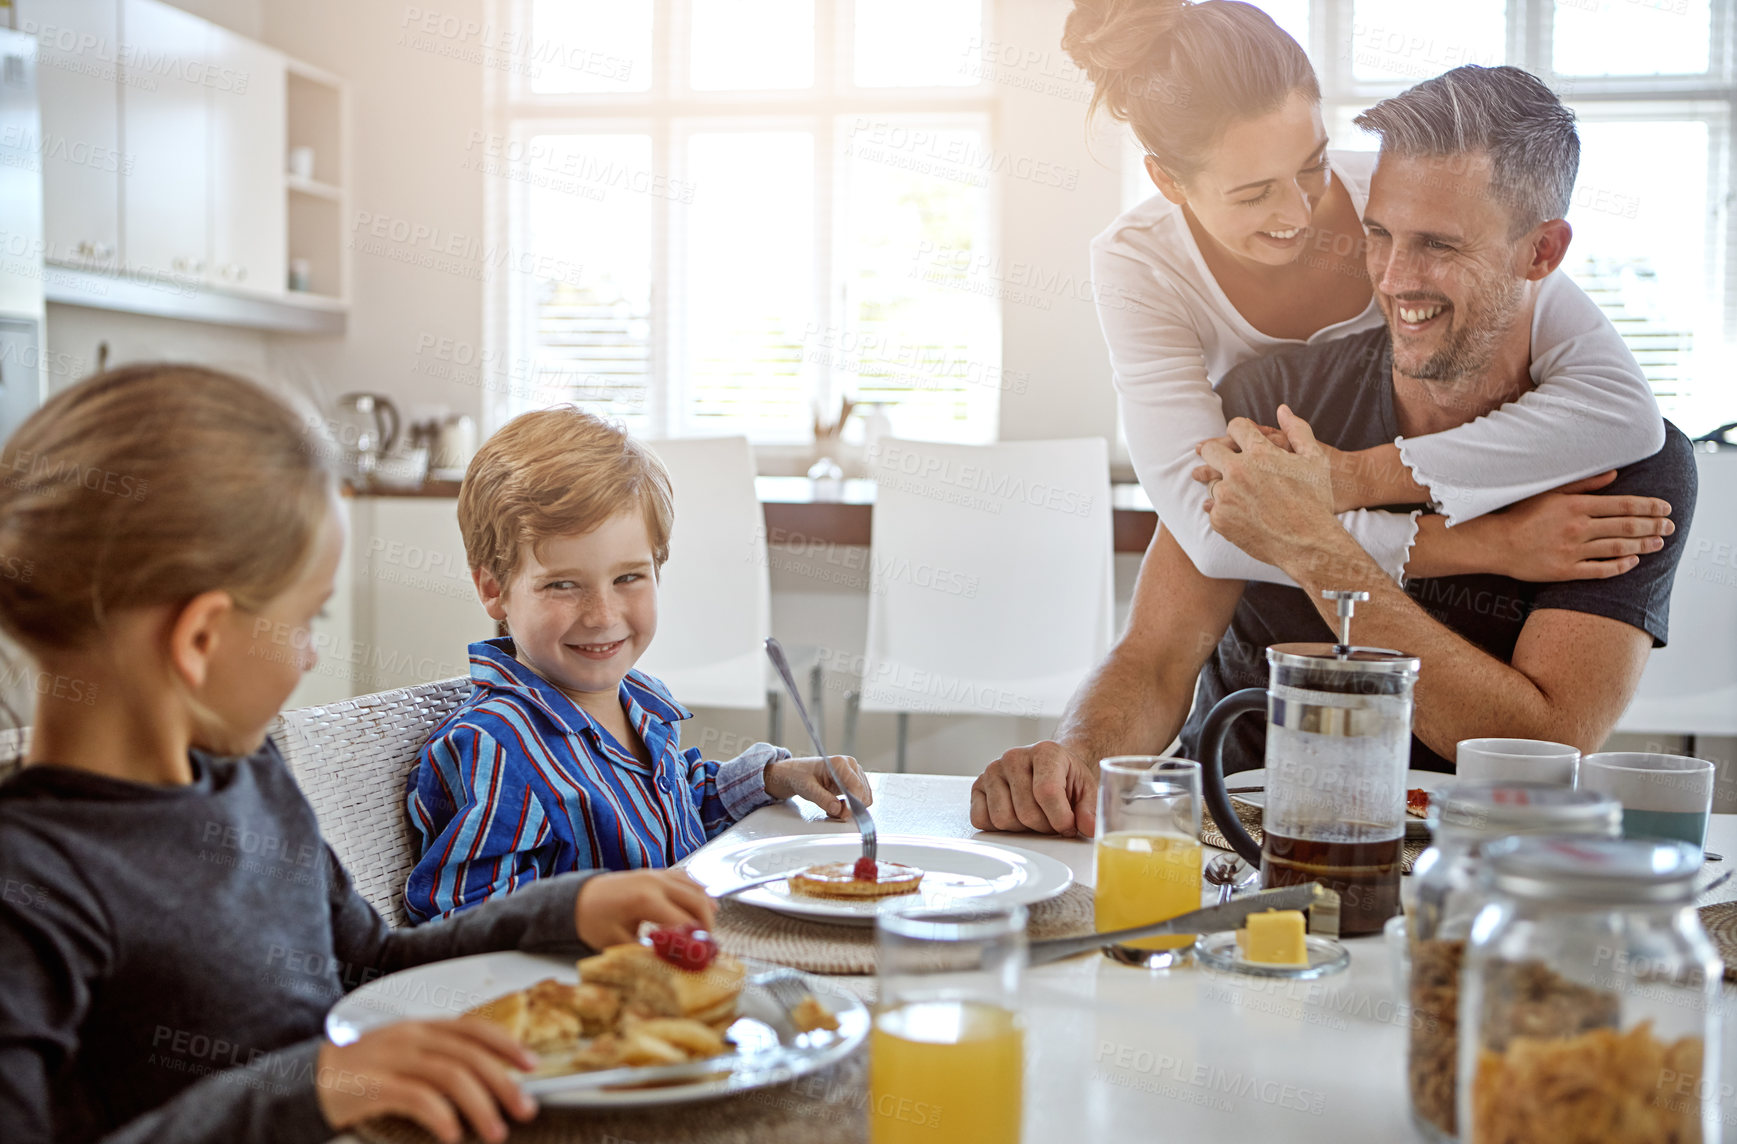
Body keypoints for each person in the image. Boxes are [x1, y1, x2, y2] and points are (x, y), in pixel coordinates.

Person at [0, 365, 717, 1144]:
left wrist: (565, 907)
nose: (310, 656)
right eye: (308, 619)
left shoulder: (251, 779)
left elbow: (376, 963)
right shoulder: (31, 881)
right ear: (201, 639)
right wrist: (316, 1084)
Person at [972, 66, 1696, 835]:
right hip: (1232, 822)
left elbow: (1539, 741)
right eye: (1379, 235)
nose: (1393, 279)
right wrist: (1076, 756)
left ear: (1541, 252)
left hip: (1464, 847)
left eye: (1437, 246)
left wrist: (1315, 545)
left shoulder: (1627, 470)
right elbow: (1154, 659)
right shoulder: (1274, 401)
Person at [1065, 0, 1673, 587]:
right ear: (1167, 180)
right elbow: (1212, 530)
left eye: (1312, 164)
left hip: (1357, 509)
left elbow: (1623, 412)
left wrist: (1351, 478)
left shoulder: (1403, 198)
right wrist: (1493, 546)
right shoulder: (1138, 265)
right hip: (1288, 575)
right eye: (1253, 194)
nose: (1298, 213)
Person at [404, 408, 870, 924]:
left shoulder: (639, 702)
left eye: (628, 578)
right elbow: (465, 924)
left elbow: (673, 810)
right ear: (495, 590)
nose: (603, 615)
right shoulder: (495, 749)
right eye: (562, 584)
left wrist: (774, 777)